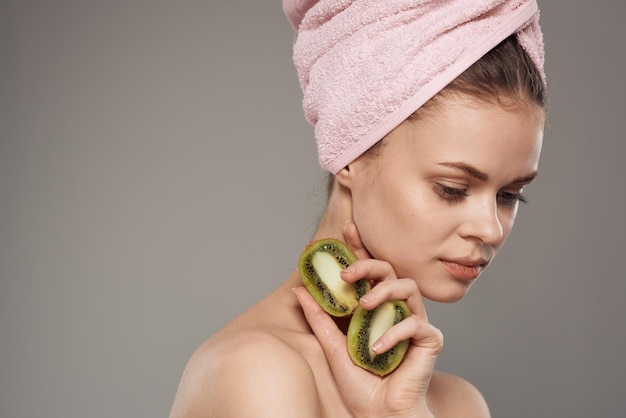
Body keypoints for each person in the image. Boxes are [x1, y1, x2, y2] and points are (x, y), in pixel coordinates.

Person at [169, 0, 547, 416]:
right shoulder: (257, 372)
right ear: (350, 153)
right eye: (452, 188)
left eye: (510, 195)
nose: (490, 230)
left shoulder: (458, 404)